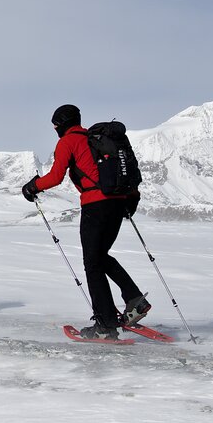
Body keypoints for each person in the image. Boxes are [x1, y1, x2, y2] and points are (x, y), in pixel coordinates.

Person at [21, 104, 150, 340]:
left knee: (92, 263)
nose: (54, 128)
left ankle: (105, 324)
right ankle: (134, 300)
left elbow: (55, 176)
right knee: (100, 257)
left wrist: (32, 187)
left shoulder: (68, 142)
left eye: (56, 124)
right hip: (117, 203)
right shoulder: (94, 140)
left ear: (62, 123)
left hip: (95, 205)